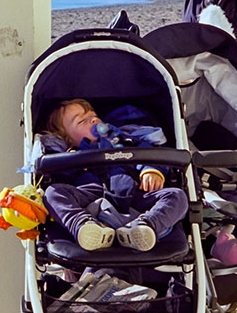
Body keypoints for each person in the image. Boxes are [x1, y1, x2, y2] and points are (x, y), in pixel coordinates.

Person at [42, 99, 188, 252]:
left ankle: (145, 226)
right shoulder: (71, 155)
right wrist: (69, 162)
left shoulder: (125, 139)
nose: (93, 120)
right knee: (53, 193)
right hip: (93, 197)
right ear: (67, 139)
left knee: (177, 196)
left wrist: (150, 170)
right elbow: (62, 179)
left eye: (93, 115)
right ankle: (84, 226)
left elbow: (150, 153)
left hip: (136, 195)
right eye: (82, 121)